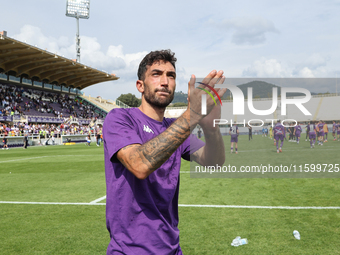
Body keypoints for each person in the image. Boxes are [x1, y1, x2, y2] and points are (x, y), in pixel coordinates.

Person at [103, 50, 226, 255]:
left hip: (172, 249)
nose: (165, 81)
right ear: (140, 85)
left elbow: (213, 161)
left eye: (171, 75)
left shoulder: (176, 128)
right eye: (156, 74)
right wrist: (192, 115)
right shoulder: (120, 118)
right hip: (130, 251)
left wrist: (211, 128)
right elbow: (139, 165)